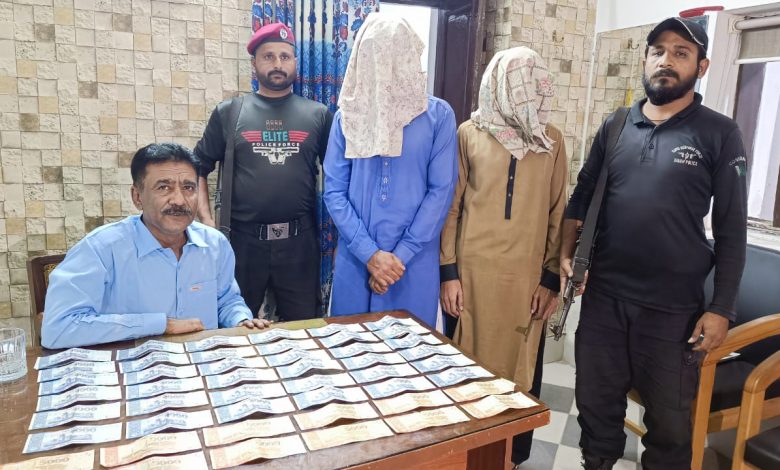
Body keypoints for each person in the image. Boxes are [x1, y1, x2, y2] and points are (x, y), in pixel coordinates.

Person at [562, 18, 747, 469]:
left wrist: (721, 308)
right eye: (658, 51)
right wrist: (566, 255)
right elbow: (582, 196)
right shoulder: (616, 125)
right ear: (645, 60)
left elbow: (731, 228)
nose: (666, 60)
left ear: (701, 66)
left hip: (672, 311)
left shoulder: (720, 133)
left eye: (681, 52)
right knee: (596, 406)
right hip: (604, 299)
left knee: (669, 426)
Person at [439, 47, 567, 466]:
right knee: (465, 371)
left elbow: (558, 212)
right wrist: (448, 273)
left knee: (521, 373)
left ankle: (512, 458)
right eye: (515, 81)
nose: (524, 90)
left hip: (526, 283)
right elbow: (452, 208)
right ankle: (463, 457)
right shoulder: (468, 133)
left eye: (532, 80)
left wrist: (551, 279)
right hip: (471, 279)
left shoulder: (551, 139)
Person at [41, 143, 270, 349]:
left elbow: (226, 301)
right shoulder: (101, 248)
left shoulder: (215, 244)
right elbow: (57, 328)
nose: (179, 200)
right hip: (133, 369)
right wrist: (160, 325)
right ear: (137, 197)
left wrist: (241, 320)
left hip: (204, 365)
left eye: (189, 188)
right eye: (164, 187)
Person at [323, 13, 458, 328]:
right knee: (350, 348)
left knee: (413, 351)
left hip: (412, 265)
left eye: (396, 52)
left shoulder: (438, 116)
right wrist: (370, 255)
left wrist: (399, 257)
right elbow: (334, 191)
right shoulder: (347, 118)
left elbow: (441, 191)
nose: (385, 64)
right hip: (357, 262)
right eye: (377, 54)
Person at [194, 22, 332, 321]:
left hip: (299, 243)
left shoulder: (318, 114)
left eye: (285, 56)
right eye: (268, 56)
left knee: (304, 328)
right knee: (235, 327)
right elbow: (198, 168)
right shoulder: (229, 112)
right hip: (242, 243)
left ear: (295, 62)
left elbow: (337, 174)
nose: (277, 64)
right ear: (254, 64)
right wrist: (206, 223)